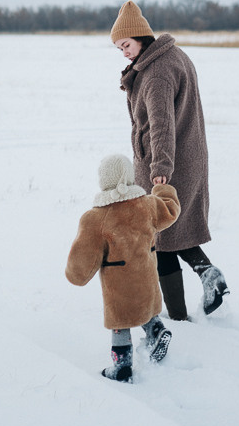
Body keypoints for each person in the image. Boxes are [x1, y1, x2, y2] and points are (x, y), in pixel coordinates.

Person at [110, 0, 230, 322]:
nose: (123, 53)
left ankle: (179, 318)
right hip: (188, 158)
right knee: (177, 233)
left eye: (126, 45)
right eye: (119, 48)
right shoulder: (173, 57)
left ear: (140, 37)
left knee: (161, 240)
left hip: (168, 166)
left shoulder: (156, 73)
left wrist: (160, 168)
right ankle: (209, 276)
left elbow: (161, 125)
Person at [65, 153, 180, 382]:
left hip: (119, 289)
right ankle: (157, 331)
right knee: (147, 309)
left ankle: (122, 367)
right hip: (147, 279)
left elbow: (82, 263)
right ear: (130, 177)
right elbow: (170, 210)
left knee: (121, 323)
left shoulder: (95, 219)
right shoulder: (147, 205)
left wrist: (75, 274)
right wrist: (161, 190)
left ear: (103, 181)